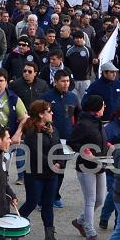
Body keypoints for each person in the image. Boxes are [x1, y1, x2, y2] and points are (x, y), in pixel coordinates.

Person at [18, 100, 65, 240]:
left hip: (51, 174)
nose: (51, 113)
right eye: (48, 111)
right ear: (40, 114)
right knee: (32, 202)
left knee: (48, 204)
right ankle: (13, 228)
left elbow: (59, 148)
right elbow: (36, 154)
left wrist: (61, 163)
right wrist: (52, 164)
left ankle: (50, 238)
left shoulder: (53, 129)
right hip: (35, 173)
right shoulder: (31, 131)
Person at [68, 94, 108, 240]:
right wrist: (84, 150)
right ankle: (90, 233)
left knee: (100, 199)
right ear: (96, 109)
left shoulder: (97, 122)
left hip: (100, 164)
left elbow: (98, 138)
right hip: (86, 167)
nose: (105, 107)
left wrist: (108, 144)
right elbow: (72, 142)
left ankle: (79, 221)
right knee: (90, 200)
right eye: (103, 105)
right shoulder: (84, 124)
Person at [41, 69, 80, 209]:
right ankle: (43, 199)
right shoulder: (46, 97)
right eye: (63, 81)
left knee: (60, 169)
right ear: (55, 82)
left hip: (66, 139)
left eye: (68, 81)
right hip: (49, 138)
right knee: (48, 168)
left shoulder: (73, 97)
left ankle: (55, 195)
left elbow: (78, 116)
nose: (66, 84)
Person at [98, 104, 120, 230]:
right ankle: (105, 216)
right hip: (112, 167)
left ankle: (119, 222)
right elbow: (103, 147)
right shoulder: (110, 129)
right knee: (114, 194)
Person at [64, 30, 93, 101]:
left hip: (85, 80)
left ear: (83, 39)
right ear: (73, 39)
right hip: (73, 80)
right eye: (76, 38)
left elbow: (91, 62)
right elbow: (66, 65)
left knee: (85, 100)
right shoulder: (69, 51)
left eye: (80, 38)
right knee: (74, 100)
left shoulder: (88, 50)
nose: (79, 40)